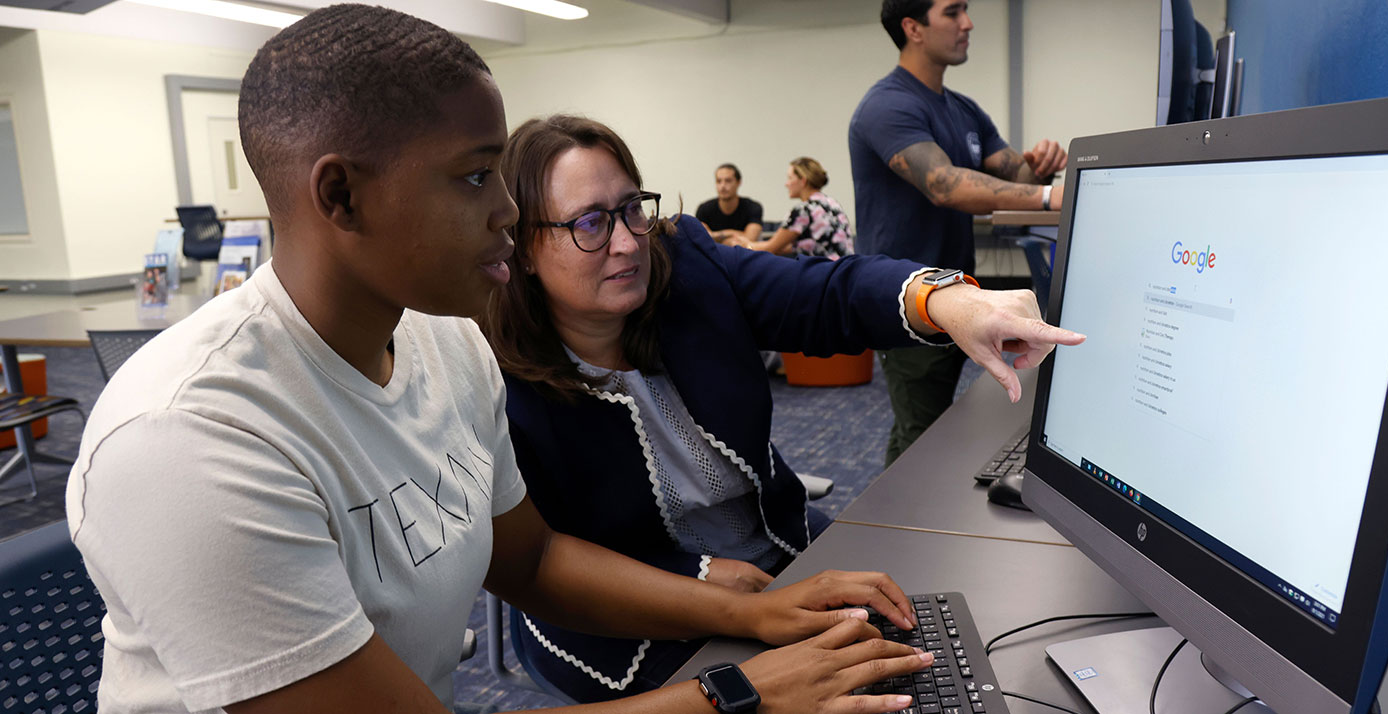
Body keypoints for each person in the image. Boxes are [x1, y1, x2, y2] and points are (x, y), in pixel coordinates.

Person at [63, 6, 950, 713]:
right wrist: (738, 693)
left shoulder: (446, 342)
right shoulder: (188, 440)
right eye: (476, 177)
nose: (506, 215)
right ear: (340, 194)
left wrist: (752, 611)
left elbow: (528, 563)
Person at [479, 114, 1085, 703]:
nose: (625, 242)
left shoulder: (684, 263)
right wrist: (702, 577)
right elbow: (549, 553)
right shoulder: (495, 378)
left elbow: (827, 294)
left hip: (776, 550)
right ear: (524, 248)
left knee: (925, 640)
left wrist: (951, 303)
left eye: (632, 209)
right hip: (625, 618)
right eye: (589, 223)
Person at [850, 0, 1071, 466]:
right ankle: (896, 530)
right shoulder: (887, 105)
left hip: (955, 292)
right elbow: (943, 184)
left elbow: (1018, 178)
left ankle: (887, 517)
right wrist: (1050, 196)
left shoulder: (963, 109)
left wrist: (1039, 166)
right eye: (953, 13)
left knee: (926, 427)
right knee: (921, 432)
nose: (968, 23)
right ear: (913, 27)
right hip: (905, 298)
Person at [731, 157, 854, 259]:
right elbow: (810, 244)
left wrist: (744, 244)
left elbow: (770, 248)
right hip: (844, 271)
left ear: (803, 181)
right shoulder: (832, 204)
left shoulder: (803, 211)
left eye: (790, 178)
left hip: (824, 275)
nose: (786, 183)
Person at [694, 163, 764, 243]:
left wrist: (714, 235)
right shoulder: (704, 209)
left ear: (738, 182)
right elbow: (700, 239)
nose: (723, 186)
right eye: (719, 181)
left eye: (728, 181)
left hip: (744, 254)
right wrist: (736, 236)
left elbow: (750, 239)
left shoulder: (753, 207)